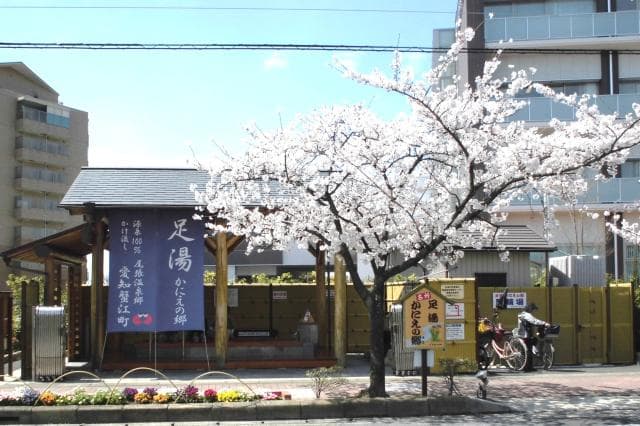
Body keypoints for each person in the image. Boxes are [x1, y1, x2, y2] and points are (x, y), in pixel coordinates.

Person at [517, 302, 549, 372]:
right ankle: (528, 367)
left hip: (524, 334)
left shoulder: (522, 314)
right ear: (530, 309)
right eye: (533, 309)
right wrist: (544, 323)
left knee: (529, 349)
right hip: (526, 335)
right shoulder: (526, 315)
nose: (533, 311)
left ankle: (529, 366)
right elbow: (534, 321)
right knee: (529, 350)